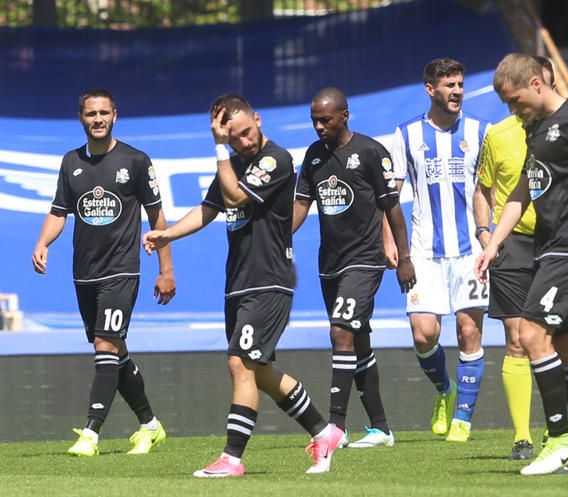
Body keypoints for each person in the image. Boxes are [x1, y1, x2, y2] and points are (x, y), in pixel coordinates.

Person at [143, 95, 343, 477]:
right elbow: (209, 208)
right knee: (260, 371)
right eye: (234, 138)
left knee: (240, 363)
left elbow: (236, 197)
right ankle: (324, 431)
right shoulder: (231, 165)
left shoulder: (276, 159)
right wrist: (168, 235)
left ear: (257, 118)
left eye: (246, 133)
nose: (244, 143)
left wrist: (219, 147)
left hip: (269, 279)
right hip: (239, 281)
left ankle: (232, 458)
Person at [477, 53, 568, 475]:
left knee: (529, 331)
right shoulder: (534, 127)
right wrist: (492, 244)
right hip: (548, 247)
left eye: (515, 99)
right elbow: (522, 189)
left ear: (538, 83)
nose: (512, 109)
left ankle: (558, 437)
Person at [31, 88, 175, 457]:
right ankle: (151, 425)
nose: (98, 119)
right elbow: (59, 211)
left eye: (104, 113)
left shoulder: (136, 161)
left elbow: (158, 219)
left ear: (115, 116)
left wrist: (166, 269)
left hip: (122, 271)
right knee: (115, 351)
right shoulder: (71, 162)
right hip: (84, 275)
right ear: (81, 118)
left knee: (105, 345)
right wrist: (43, 242)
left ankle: (91, 434)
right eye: (91, 113)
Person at [293, 87, 416, 448]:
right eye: (314, 119)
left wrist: (404, 259)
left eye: (325, 119)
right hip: (329, 263)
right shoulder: (314, 156)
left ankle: (335, 427)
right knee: (358, 341)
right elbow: (301, 204)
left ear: (344, 116)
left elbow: (392, 208)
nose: (318, 126)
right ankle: (381, 429)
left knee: (340, 332)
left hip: (364, 260)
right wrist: (277, 236)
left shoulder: (370, 152)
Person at [388, 58, 489, 443]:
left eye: (460, 84)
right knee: (423, 334)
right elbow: (390, 195)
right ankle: (445, 390)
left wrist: (488, 237)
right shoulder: (407, 134)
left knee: (468, 331)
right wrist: (391, 244)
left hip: (469, 251)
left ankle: (463, 417)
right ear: (430, 89)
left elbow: (490, 188)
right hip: (424, 251)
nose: (457, 91)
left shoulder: (481, 131)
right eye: (449, 85)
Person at [473, 56, 556, 460]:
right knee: (517, 339)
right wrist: (486, 235)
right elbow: (482, 189)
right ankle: (523, 437)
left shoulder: (563, 129)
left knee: (562, 341)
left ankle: (560, 429)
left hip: (559, 241)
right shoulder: (499, 135)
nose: (516, 109)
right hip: (514, 244)